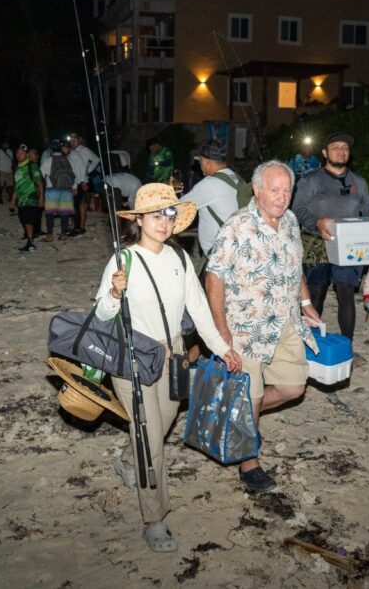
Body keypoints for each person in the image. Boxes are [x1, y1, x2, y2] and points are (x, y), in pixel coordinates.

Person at [95, 183, 243, 553]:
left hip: (173, 353)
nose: (164, 221)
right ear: (139, 220)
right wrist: (114, 293)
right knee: (151, 439)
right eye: (156, 215)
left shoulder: (179, 260)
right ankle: (154, 519)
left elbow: (198, 309)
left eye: (169, 214)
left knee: (160, 425)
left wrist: (223, 348)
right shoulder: (122, 260)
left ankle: (127, 461)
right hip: (132, 357)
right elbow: (101, 314)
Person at [207, 160, 323, 493]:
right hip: (246, 327)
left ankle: (241, 417)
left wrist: (305, 303)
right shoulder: (237, 226)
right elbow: (214, 277)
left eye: (287, 190)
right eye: (274, 190)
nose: (281, 197)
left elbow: (295, 265)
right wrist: (220, 330)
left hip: (286, 321)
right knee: (252, 394)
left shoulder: (289, 221)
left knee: (293, 387)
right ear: (257, 190)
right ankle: (249, 462)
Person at [292, 133, 369, 341]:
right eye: (336, 147)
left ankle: (346, 345)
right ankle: (311, 344)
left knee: (346, 293)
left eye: (345, 148)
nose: (341, 151)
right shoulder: (311, 180)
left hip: (349, 244)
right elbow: (297, 208)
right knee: (316, 294)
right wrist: (317, 222)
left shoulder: (359, 181)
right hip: (317, 242)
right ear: (324, 153)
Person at [179, 141, 243, 257]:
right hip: (239, 245)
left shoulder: (209, 185)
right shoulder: (235, 177)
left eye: (200, 162)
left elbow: (178, 208)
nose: (200, 165)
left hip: (220, 254)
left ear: (207, 163)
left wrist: (168, 191)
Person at [10, 144, 44, 252]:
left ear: (27, 154)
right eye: (17, 153)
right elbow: (17, 186)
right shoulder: (17, 168)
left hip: (31, 198)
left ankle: (30, 243)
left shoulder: (32, 166)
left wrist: (41, 198)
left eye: (21, 153)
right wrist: (13, 199)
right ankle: (30, 241)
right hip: (21, 200)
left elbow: (40, 183)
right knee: (24, 220)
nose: (18, 155)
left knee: (28, 221)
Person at [40, 139, 76, 241]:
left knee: (50, 213)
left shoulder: (47, 161)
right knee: (64, 213)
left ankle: (50, 235)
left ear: (51, 149)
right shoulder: (68, 159)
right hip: (66, 189)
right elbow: (73, 174)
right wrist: (74, 187)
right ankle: (63, 234)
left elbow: (41, 176)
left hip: (51, 189)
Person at [67, 133, 101, 235]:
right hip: (74, 181)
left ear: (79, 140)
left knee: (81, 204)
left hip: (83, 180)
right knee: (74, 204)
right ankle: (73, 225)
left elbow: (97, 160)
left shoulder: (84, 150)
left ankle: (81, 226)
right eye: (71, 140)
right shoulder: (71, 151)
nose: (72, 142)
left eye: (75, 139)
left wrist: (88, 170)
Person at [0, 139, 15, 206]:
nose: (6, 145)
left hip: (9, 171)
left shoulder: (10, 151)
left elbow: (12, 161)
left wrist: (13, 169)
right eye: (4, 144)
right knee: (0, 186)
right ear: (1, 145)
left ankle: (10, 198)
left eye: (7, 144)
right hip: (1, 171)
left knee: (10, 186)